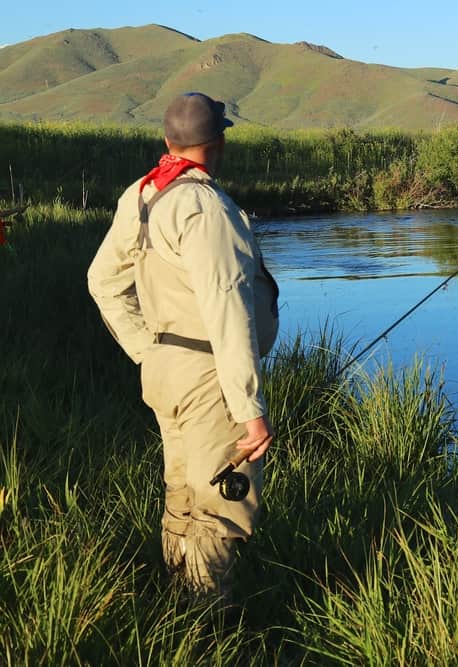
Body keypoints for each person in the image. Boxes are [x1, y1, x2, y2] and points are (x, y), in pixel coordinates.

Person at [88, 92, 279, 599]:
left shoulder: (143, 193)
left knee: (184, 493)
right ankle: (209, 628)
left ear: (169, 141)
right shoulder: (205, 207)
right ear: (217, 144)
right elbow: (227, 310)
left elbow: (102, 280)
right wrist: (249, 408)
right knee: (220, 507)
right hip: (208, 377)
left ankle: (176, 607)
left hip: (166, 369)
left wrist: (147, 351)